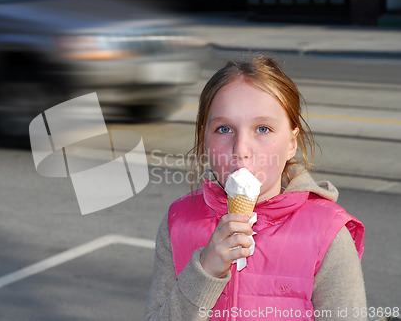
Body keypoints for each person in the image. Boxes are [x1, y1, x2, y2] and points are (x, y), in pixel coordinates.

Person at [143, 55, 366, 321]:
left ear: (291, 144)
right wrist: (204, 272)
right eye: (224, 128)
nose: (240, 150)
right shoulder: (178, 224)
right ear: (205, 141)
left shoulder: (328, 236)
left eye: (263, 128)